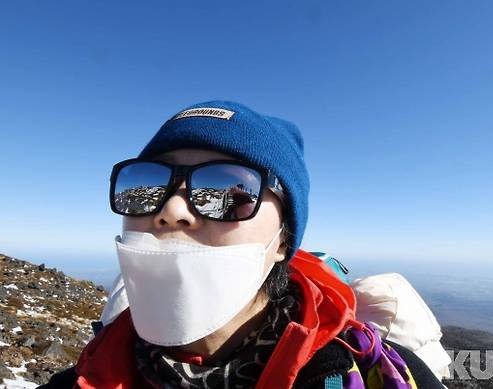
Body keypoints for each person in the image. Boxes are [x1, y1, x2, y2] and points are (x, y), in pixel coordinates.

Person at [40, 101, 443, 388]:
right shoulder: (86, 376)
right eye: (147, 185)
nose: (172, 208)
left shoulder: (372, 374)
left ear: (283, 240)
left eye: (227, 188)